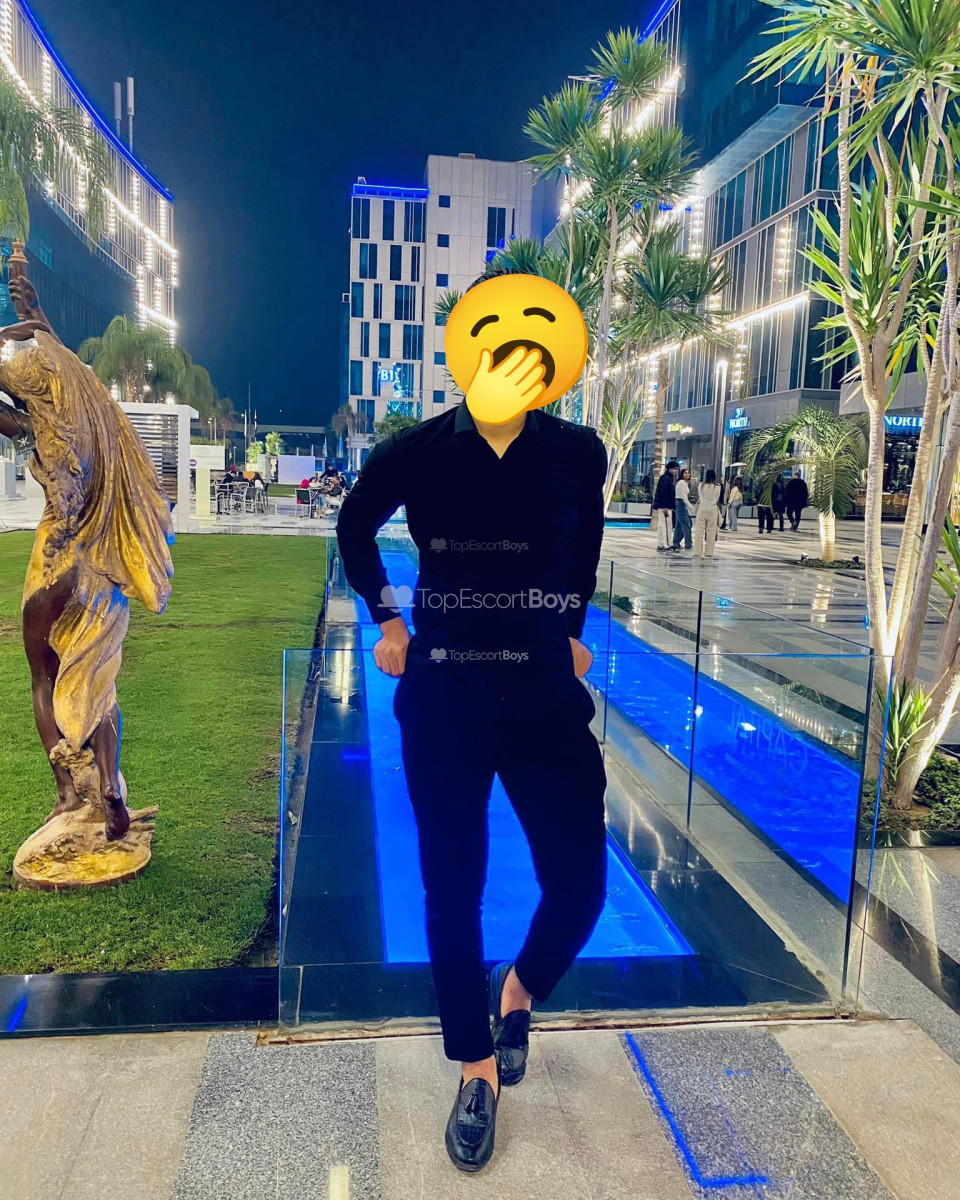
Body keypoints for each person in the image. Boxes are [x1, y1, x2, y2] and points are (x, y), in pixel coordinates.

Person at [337, 397, 607, 1172]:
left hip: (543, 698)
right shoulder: (417, 449)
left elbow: (585, 546)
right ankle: (476, 1068)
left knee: (581, 888)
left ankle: (516, 989)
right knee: (452, 892)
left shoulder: (576, 452)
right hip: (447, 697)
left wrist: (570, 628)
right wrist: (390, 623)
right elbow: (355, 526)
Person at [693, 469, 722, 558]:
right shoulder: (718, 486)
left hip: (702, 508)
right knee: (711, 531)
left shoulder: (701, 485)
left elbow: (700, 496)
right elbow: (717, 498)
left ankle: (697, 551)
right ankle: (709, 552)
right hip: (712, 508)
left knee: (699, 530)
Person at [653, 461, 679, 551]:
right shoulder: (666, 479)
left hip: (663, 505)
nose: (676, 471)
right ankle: (668, 544)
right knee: (667, 525)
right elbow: (664, 493)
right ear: (670, 469)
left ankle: (660, 544)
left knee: (662, 525)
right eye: (675, 469)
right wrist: (665, 506)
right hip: (665, 506)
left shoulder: (666, 478)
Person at [672, 467, 694, 551]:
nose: (687, 474)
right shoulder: (681, 482)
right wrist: (690, 506)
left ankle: (676, 542)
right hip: (680, 503)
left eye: (688, 473)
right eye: (685, 473)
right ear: (682, 474)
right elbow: (683, 496)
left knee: (679, 525)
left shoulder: (684, 483)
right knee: (686, 524)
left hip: (681, 503)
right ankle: (688, 543)